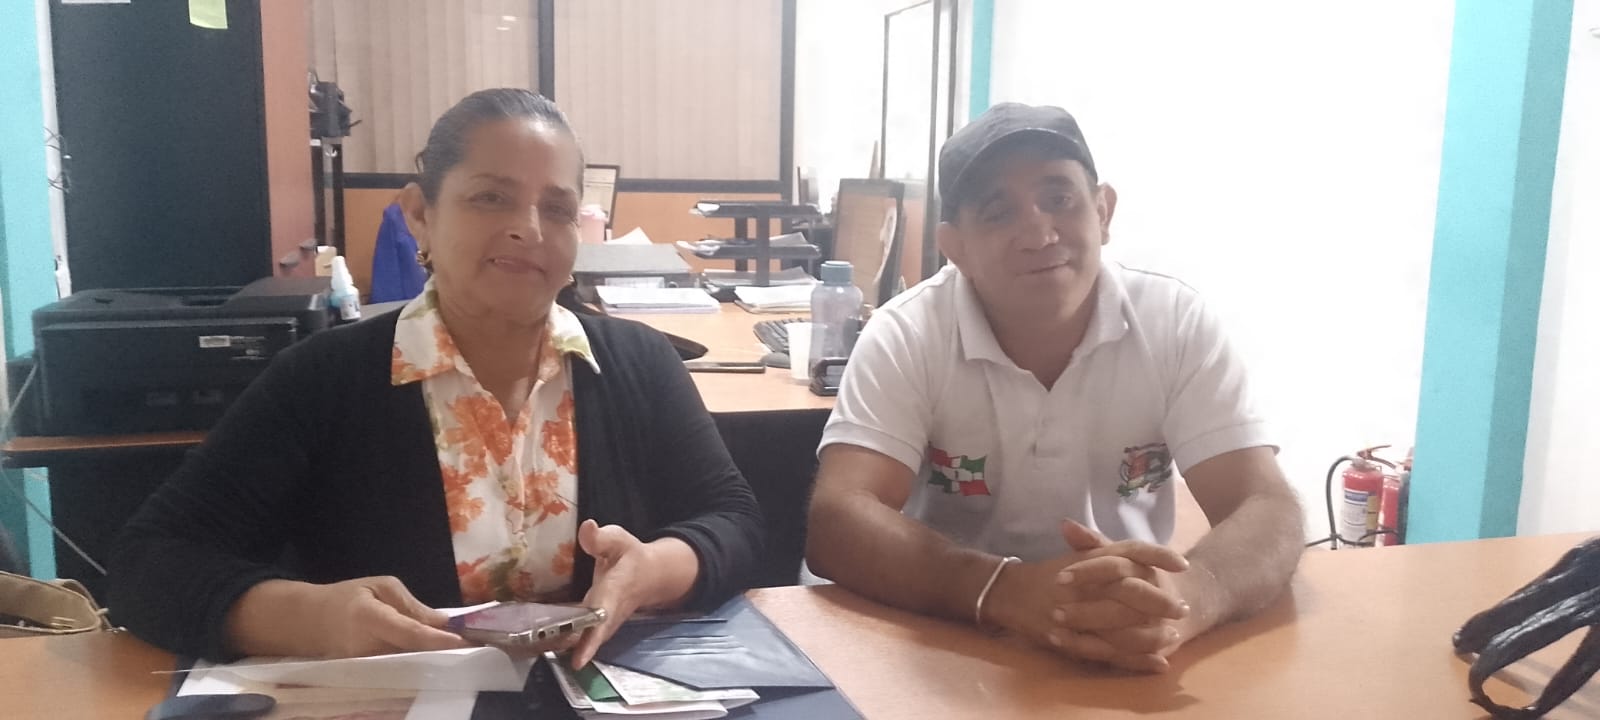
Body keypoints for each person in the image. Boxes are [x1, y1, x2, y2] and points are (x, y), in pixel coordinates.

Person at [109, 89, 763, 669]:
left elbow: (735, 520)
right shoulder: (323, 380)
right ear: (420, 214)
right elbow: (149, 564)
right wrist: (310, 617)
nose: (528, 228)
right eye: (490, 197)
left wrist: (653, 570)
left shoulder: (640, 363)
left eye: (558, 208)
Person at [805, 103, 1303, 673]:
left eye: (1060, 199)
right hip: (952, 634)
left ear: (1103, 211)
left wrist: (1185, 601)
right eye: (998, 213)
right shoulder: (908, 333)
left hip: (1134, 636)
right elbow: (839, 519)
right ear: (955, 247)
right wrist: (1003, 589)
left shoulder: (1175, 322)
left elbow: (1266, 504)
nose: (1039, 233)